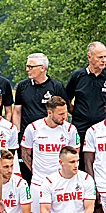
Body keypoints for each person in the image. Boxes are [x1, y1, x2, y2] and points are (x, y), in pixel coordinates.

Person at [21, 95, 80, 213]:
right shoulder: (33, 128)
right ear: (49, 112)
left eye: (65, 112)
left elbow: (75, 154)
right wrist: (36, 171)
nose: (65, 117)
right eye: (60, 114)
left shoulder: (70, 129)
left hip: (62, 184)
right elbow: (25, 153)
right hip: (39, 183)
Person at [13, 52, 69, 183]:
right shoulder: (22, 86)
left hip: (49, 139)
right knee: (27, 174)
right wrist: (18, 133)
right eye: (27, 66)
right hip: (27, 138)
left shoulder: (56, 87)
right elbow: (17, 112)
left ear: (42, 68)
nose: (27, 69)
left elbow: (64, 113)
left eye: (31, 66)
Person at [65, 41, 106, 146]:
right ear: (89, 57)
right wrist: (79, 113)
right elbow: (66, 101)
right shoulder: (77, 76)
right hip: (81, 129)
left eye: (105, 57)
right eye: (99, 57)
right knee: (82, 161)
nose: (103, 60)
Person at [40, 146, 96, 213]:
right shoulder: (49, 181)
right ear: (61, 162)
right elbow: (44, 209)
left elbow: (89, 208)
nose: (76, 165)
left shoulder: (86, 179)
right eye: (72, 162)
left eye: (77, 161)